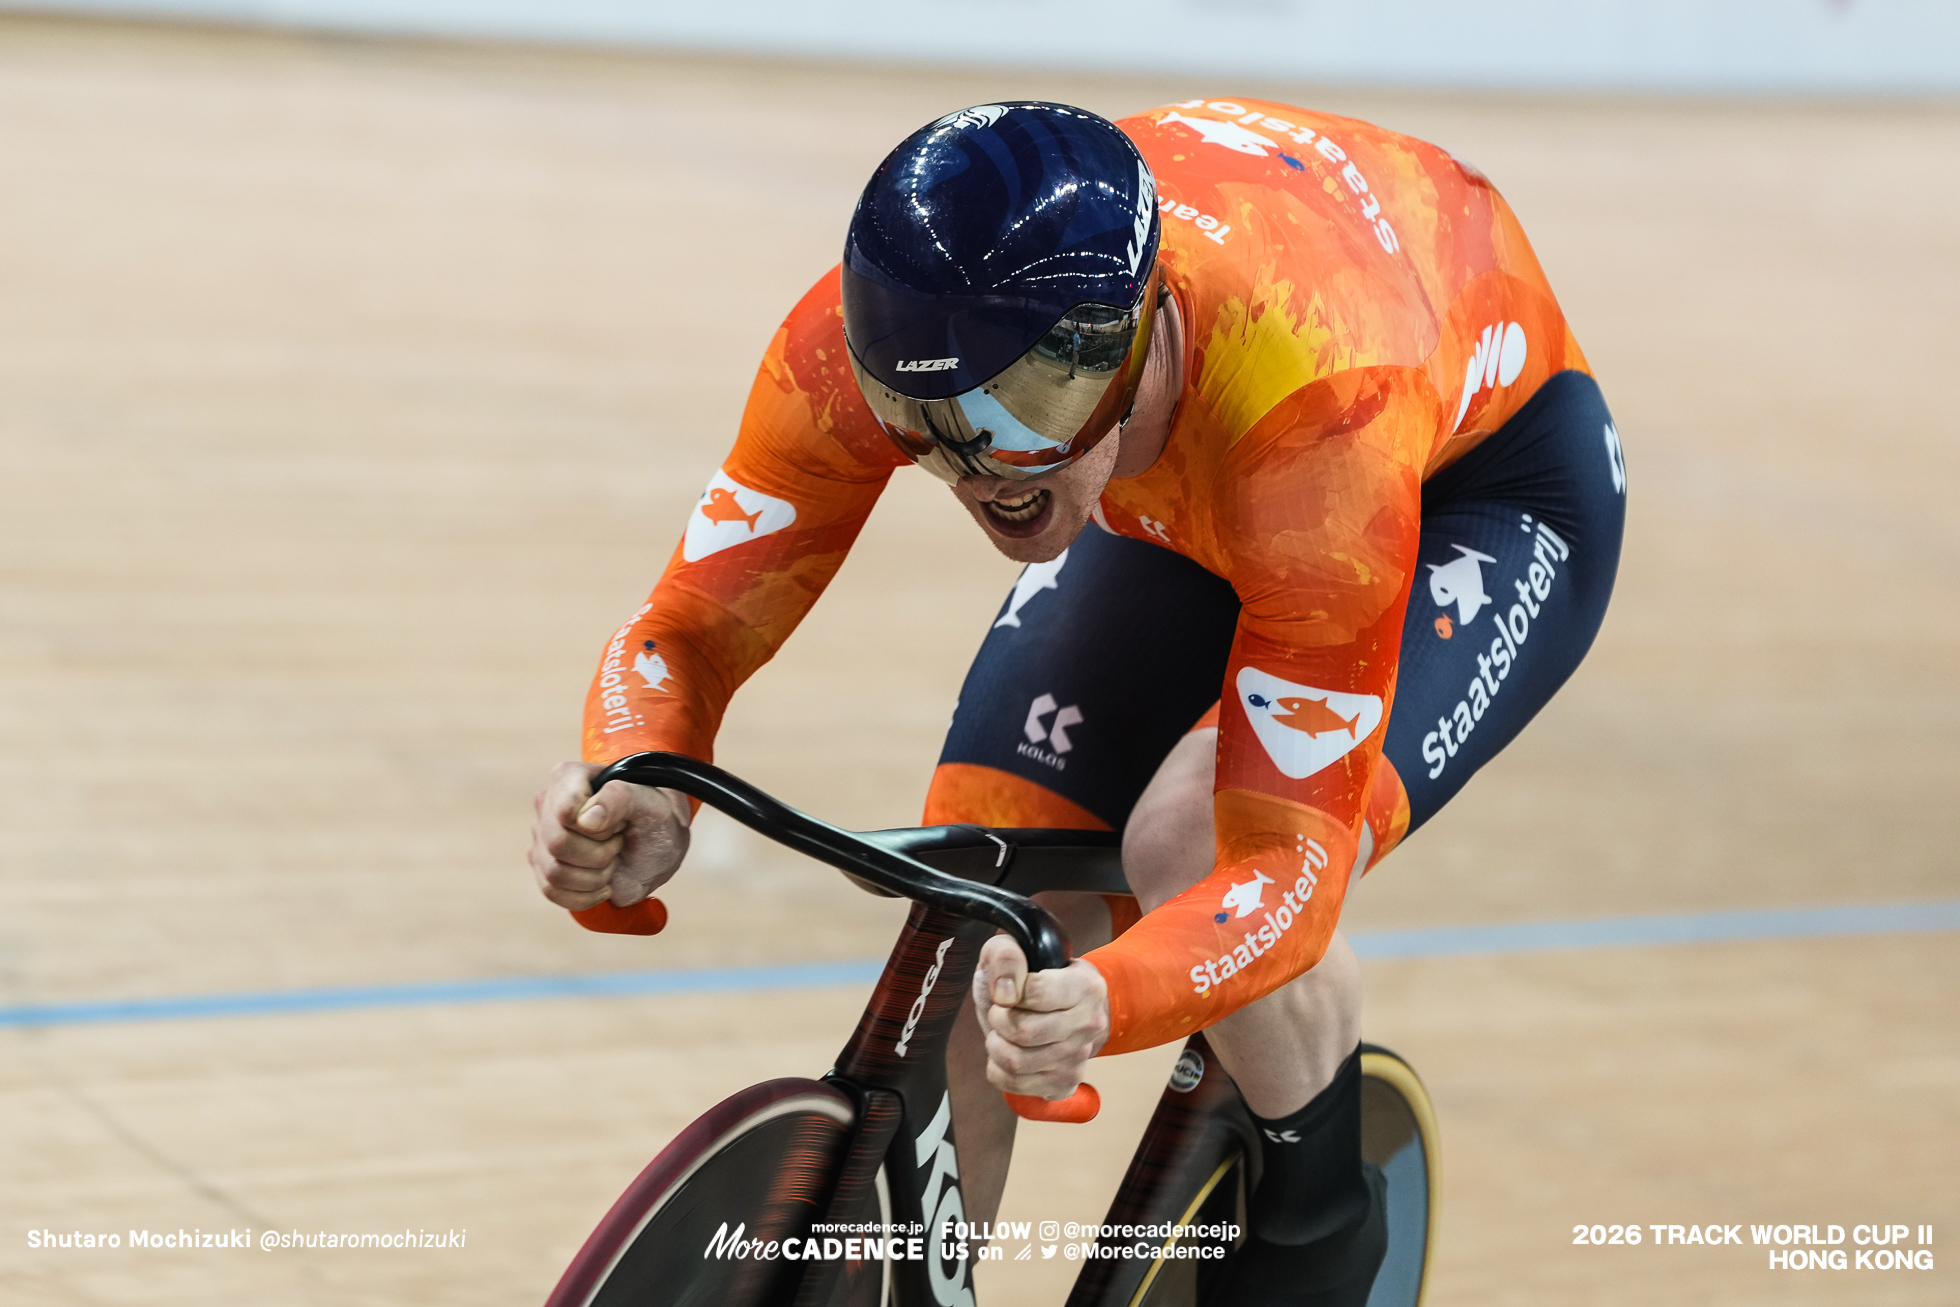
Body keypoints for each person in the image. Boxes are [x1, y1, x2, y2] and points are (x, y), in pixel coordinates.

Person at [528, 99, 1625, 1304]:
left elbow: (1283, 873)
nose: (978, 472)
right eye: (918, 431)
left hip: (1466, 485)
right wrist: (638, 766)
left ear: (1135, 329)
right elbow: (684, 627)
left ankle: (1320, 1222)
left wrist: (1112, 995)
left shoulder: (1320, 412)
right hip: (1177, 475)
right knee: (989, 904)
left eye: (1017, 417)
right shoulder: (905, 346)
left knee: (1190, 841)